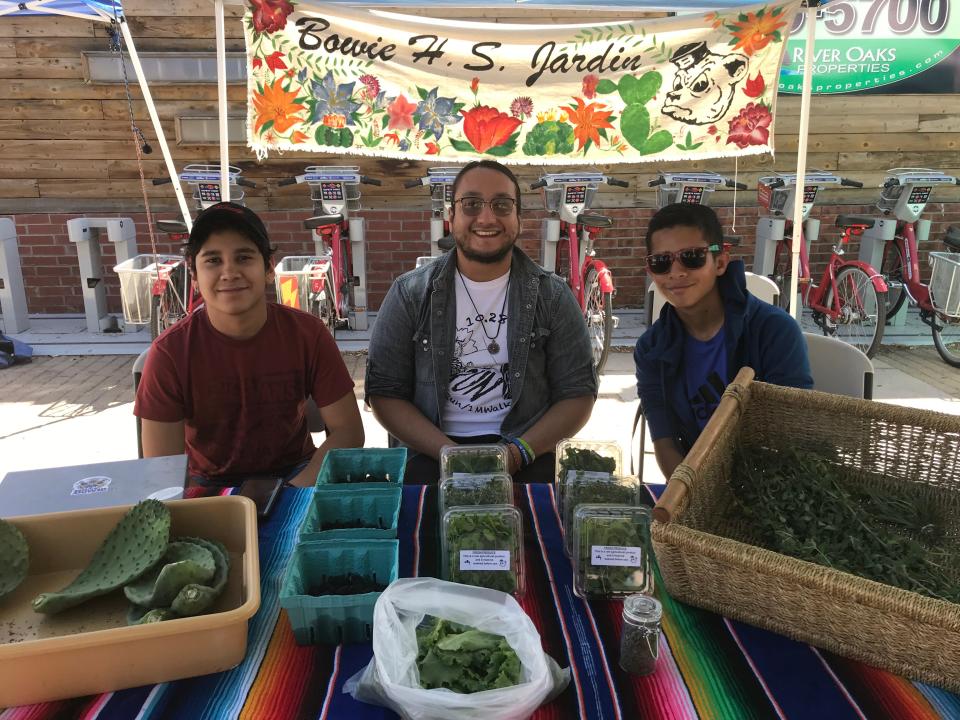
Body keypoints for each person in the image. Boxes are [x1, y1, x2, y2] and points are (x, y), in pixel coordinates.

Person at [366, 160, 598, 483]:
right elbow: (384, 393)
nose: (487, 217)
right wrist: (450, 454)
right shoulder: (410, 295)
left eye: (502, 205)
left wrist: (517, 454)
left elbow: (578, 393)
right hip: (432, 453)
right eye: (471, 204)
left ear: (518, 218)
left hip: (526, 453)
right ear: (451, 217)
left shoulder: (553, 297)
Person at [135, 202, 364, 488]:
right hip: (208, 486)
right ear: (193, 276)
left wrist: (289, 494)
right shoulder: (169, 354)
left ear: (269, 268)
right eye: (213, 260)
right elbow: (162, 474)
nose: (229, 272)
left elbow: (349, 433)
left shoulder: (308, 334)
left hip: (296, 477)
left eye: (244, 258)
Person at [635, 203, 812, 479]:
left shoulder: (775, 331)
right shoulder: (651, 349)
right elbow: (664, 440)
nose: (676, 272)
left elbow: (791, 433)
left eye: (692, 257)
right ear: (651, 271)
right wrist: (691, 496)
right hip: (696, 485)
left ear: (720, 262)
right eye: (662, 261)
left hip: (773, 482)